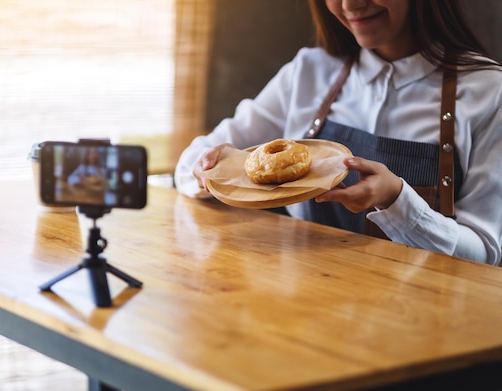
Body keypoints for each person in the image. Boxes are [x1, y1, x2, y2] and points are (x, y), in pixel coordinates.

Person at [174, 0, 502, 265]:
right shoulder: (310, 71)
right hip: (302, 310)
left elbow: (486, 252)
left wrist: (396, 201)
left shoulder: (488, 91)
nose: (350, 5)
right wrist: (208, 172)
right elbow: (192, 160)